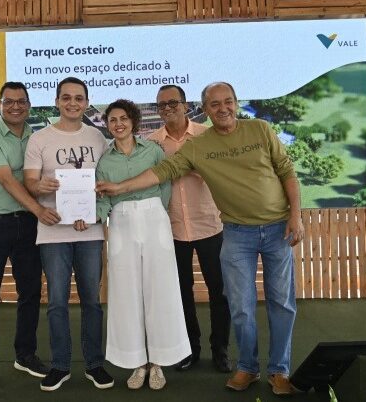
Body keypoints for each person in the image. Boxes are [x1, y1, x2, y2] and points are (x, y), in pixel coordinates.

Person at [97, 82, 304, 396]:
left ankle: (279, 371)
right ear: (206, 109)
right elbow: (163, 172)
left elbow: (286, 170)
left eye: (228, 102)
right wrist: (118, 188)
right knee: (241, 307)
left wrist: (296, 214)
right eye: (215, 104)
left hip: (268, 229)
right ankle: (246, 367)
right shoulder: (190, 146)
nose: (223, 108)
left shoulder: (260, 129)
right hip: (227, 231)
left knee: (281, 303)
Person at [85, 99, 189, 390]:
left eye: (123, 118)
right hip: (121, 223)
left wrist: (156, 213)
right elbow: (103, 199)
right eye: (112, 120)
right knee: (126, 294)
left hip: (154, 218)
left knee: (160, 290)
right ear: (107, 125)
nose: (118, 124)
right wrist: (91, 216)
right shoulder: (105, 161)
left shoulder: (154, 151)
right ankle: (136, 363)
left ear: (133, 122)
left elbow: (165, 184)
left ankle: (158, 363)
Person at [0, 82, 60, 389]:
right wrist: (38, 209)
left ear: (29, 105)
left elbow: (44, 179)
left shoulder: (36, 138)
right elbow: (8, 181)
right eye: (9, 102)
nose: (15, 106)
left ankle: (25, 354)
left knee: (31, 291)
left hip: (28, 224)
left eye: (21, 102)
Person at [23, 77, 114, 391]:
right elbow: (30, 183)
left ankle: (95, 364)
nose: (73, 103)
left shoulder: (99, 138)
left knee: (92, 300)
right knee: (57, 302)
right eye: (66, 98)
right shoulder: (39, 139)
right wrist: (40, 187)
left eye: (79, 98)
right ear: (57, 101)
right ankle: (60, 365)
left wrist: (91, 208)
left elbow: (105, 183)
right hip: (53, 232)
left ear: (86, 102)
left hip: (89, 231)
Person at [147, 85, 231, 373]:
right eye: (161, 105)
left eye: (173, 102)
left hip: (209, 224)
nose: (167, 108)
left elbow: (225, 173)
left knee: (220, 292)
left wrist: (201, 168)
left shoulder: (207, 136)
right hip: (170, 230)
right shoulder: (152, 143)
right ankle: (189, 349)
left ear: (186, 105)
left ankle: (220, 349)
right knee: (181, 292)